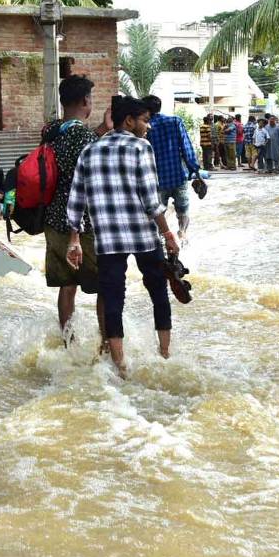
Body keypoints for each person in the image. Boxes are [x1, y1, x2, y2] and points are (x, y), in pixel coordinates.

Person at [65, 95, 180, 376]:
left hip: (108, 239)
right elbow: (151, 200)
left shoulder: (89, 151)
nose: (148, 127)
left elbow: (76, 199)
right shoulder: (141, 147)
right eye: (145, 120)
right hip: (143, 235)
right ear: (129, 121)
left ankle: (120, 366)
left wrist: (74, 239)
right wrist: (167, 232)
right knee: (158, 293)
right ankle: (164, 355)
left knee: (113, 297)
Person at [42, 74, 113, 339]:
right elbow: (88, 181)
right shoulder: (83, 136)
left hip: (53, 219)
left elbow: (70, 153)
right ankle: (107, 343)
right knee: (105, 284)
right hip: (81, 224)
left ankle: (68, 343)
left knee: (67, 285)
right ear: (86, 100)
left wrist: (102, 129)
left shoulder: (51, 131)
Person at [142, 95, 200, 241]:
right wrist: (194, 170)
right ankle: (182, 232)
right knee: (183, 210)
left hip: (157, 180)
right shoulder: (175, 121)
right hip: (178, 176)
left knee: (158, 214)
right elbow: (186, 148)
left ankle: (163, 240)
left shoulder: (144, 126)